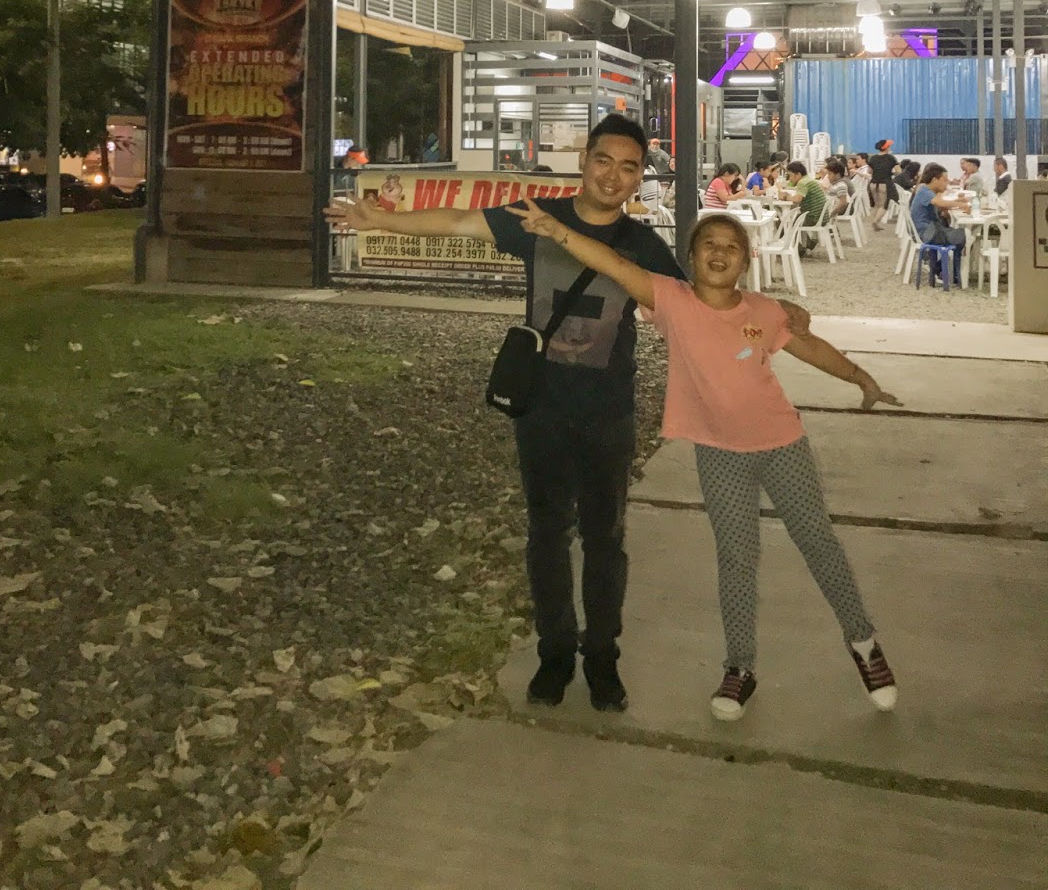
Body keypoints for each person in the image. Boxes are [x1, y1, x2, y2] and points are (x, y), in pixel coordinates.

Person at [324, 113, 811, 714]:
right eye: (603, 160)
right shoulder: (538, 217)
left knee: (605, 539)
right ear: (584, 161)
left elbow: (704, 304)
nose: (613, 176)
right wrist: (379, 219)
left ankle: (602, 656)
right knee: (548, 532)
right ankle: (554, 651)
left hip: (608, 411)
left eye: (628, 167)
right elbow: (458, 221)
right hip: (542, 407)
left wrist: (777, 312)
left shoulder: (642, 246)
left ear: (639, 176)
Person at [510, 201, 900, 722]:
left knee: (818, 541)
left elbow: (810, 347)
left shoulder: (764, 311)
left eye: (731, 247)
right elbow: (613, 264)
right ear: (690, 255)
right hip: (719, 453)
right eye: (709, 244)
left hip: (782, 444)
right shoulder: (671, 301)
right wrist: (558, 231)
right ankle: (740, 668)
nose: (719, 253)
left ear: (746, 260)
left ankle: (864, 643)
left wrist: (860, 377)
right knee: (737, 559)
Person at [911, 163, 968, 285]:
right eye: (944, 180)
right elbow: (940, 203)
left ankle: (943, 269)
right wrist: (961, 205)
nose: (947, 184)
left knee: (960, 235)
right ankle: (951, 273)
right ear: (934, 180)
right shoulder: (925, 192)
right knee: (965, 236)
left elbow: (940, 205)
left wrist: (956, 201)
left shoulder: (926, 191)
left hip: (930, 230)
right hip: (927, 232)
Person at [782, 161, 825, 236]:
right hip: (821, 215)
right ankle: (805, 242)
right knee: (792, 220)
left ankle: (787, 241)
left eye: (790, 176)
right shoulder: (808, 179)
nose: (790, 179)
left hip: (813, 217)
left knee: (788, 224)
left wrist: (785, 197)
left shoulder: (802, 182)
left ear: (798, 174)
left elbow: (797, 199)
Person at [867, 139, 899, 230]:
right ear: (886, 147)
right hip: (885, 183)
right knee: (884, 205)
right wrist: (891, 173)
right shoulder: (891, 158)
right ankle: (876, 221)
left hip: (873, 183)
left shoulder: (873, 158)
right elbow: (898, 171)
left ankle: (875, 224)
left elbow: (869, 171)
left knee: (876, 205)